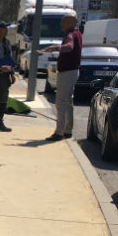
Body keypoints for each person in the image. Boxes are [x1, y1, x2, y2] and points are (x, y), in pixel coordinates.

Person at [42, 10, 81, 140]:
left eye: (63, 22)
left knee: (61, 102)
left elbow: (69, 47)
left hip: (67, 72)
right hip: (73, 71)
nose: (60, 24)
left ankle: (59, 132)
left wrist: (56, 47)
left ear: (70, 22)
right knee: (68, 101)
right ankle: (67, 130)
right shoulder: (77, 33)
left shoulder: (70, 34)